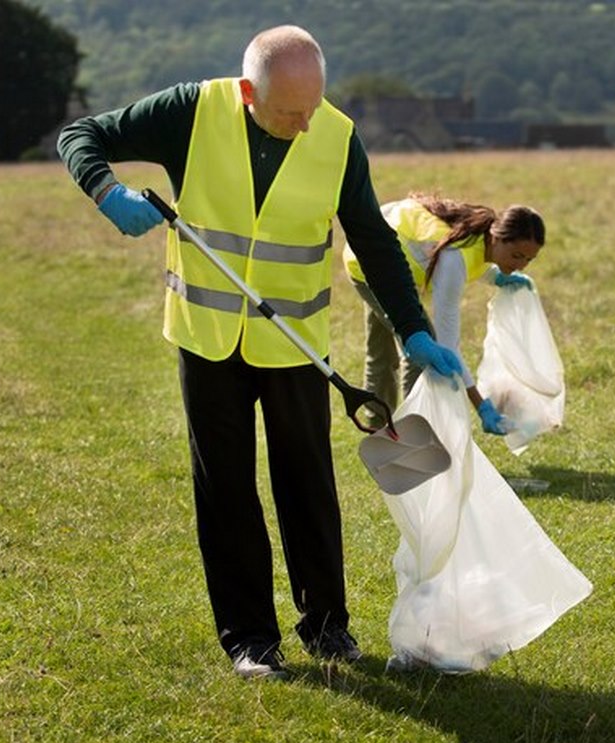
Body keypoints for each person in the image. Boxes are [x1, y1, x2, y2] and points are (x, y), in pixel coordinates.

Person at [57, 25, 463, 678]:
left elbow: (373, 237)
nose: (304, 126)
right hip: (207, 337)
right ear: (249, 91)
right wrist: (107, 191)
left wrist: (415, 329)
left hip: (295, 341)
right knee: (226, 489)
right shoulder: (190, 111)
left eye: (312, 108)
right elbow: (81, 136)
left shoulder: (334, 135)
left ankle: (328, 627)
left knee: (307, 482)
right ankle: (250, 639)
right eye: (288, 112)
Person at [343, 194, 545, 434]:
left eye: (529, 259)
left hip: (374, 248)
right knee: (420, 349)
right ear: (496, 237)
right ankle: (412, 433)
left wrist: (496, 276)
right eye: (516, 256)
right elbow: (448, 346)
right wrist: (482, 407)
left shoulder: (478, 236)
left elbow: (473, 262)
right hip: (367, 263)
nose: (521, 265)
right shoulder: (454, 258)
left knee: (382, 353)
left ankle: (379, 430)